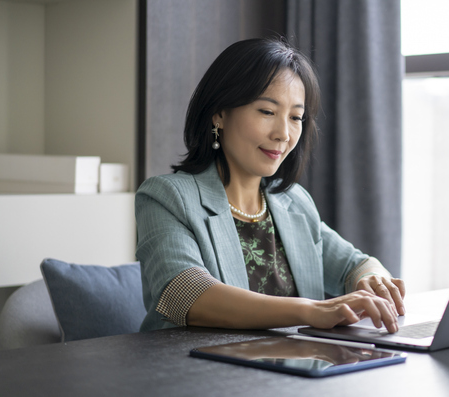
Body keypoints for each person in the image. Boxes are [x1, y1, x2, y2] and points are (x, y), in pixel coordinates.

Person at [135, 38, 405, 334]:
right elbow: (184, 295)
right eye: (267, 111)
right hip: (196, 371)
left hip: (291, 373)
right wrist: (312, 310)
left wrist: (371, 278)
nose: (283, 134)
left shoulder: (293, 201)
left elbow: (355, 264)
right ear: (219, 113)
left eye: (295, 117)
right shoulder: (166, 197)